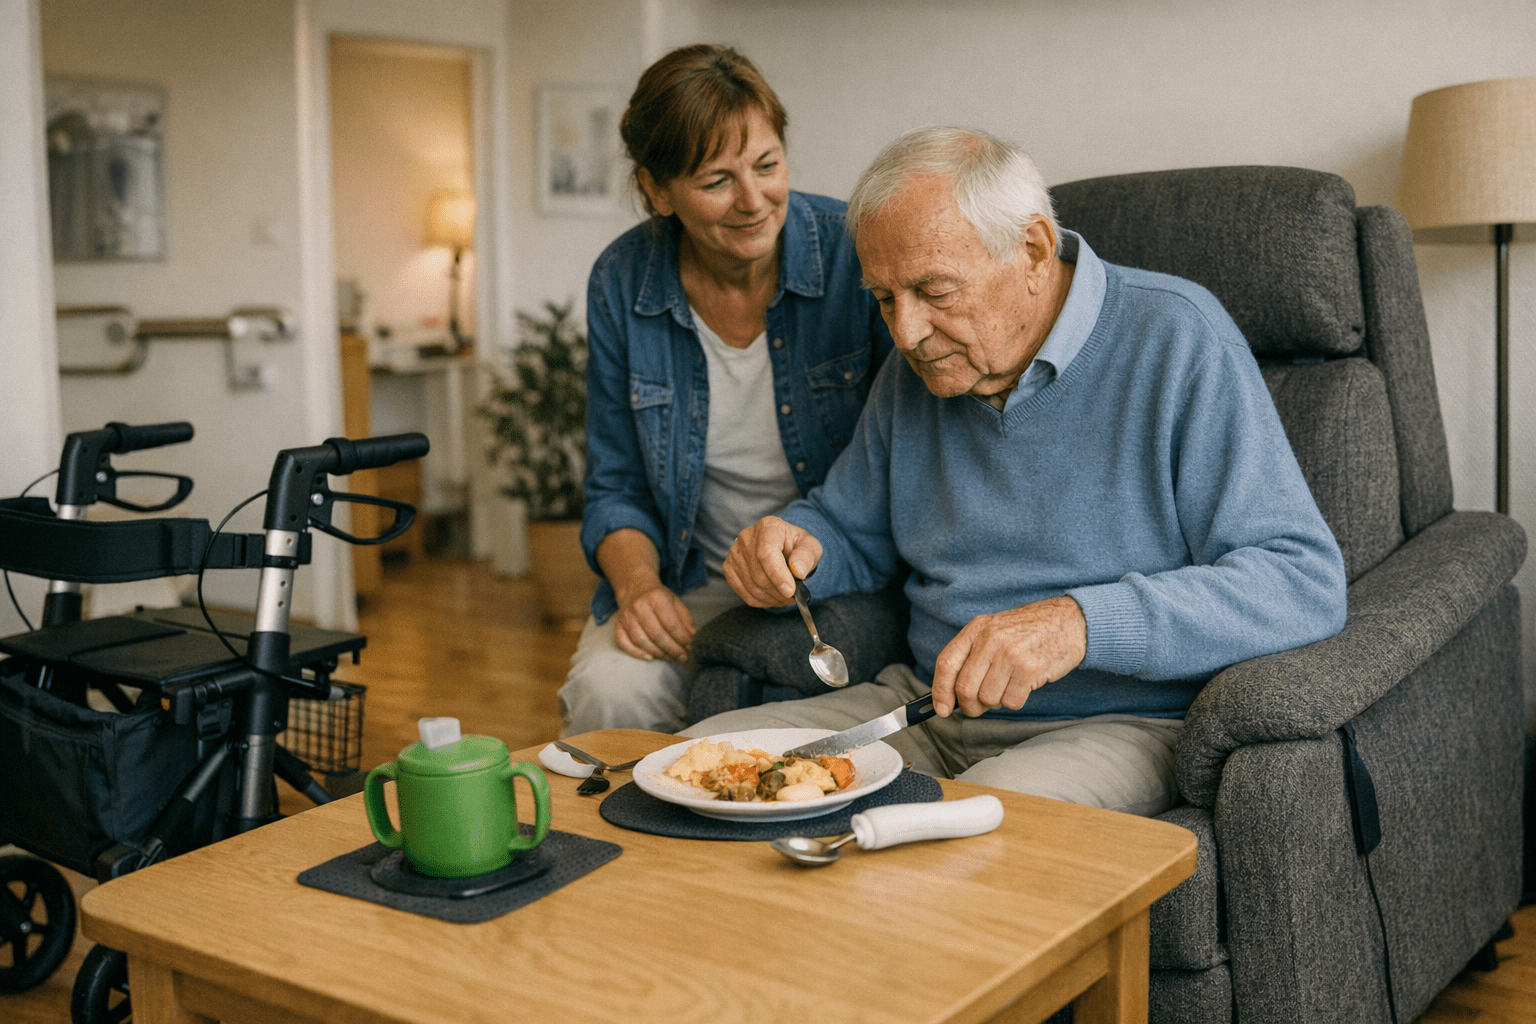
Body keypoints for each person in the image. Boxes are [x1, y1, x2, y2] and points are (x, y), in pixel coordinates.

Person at [687, 126, 1348, 817]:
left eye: (934, 290)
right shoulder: (921, 367)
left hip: (1115, 724)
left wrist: (1079, 623)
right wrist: (794, 547)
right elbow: (849, 528)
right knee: (694, 769)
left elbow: (1300, 580)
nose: (906, 333)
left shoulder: (1177, 337)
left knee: (970, 833)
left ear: (1032, 250)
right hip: (924, 709)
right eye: (884, 298)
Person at [561, 45, 893, 736]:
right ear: (658, 191)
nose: (753, 201)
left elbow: (910, 454)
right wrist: (639, 588)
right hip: (690, 579)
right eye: (717, 180)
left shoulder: (853, 253)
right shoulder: (621, 281)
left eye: (767, 166)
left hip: (835, 577)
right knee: (607, 695)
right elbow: (615, 485)